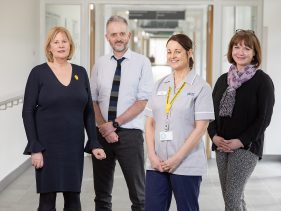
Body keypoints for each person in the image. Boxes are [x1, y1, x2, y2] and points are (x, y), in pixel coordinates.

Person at [22, 26, 106, 211]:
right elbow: (27, 111)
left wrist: (94, 142)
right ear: (49, 47)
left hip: (72, 147)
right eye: (56, 42)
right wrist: (34, 147)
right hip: (46, 147)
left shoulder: (81, 72)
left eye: (64, 41)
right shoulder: (38, 73)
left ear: (70, 45)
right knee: (47, 201)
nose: (61, 45)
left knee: (73, 199)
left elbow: (88, 112)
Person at [144, 34, 215, 211]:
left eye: (177, 51)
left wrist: (177, 158)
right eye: (169, 52)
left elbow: (201, 128)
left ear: (189, 53)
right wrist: (152, 155)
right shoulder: (160, 84)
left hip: (186, 163)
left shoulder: (201, 87)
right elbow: (150, 122)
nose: (172, 56)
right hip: (157, 163)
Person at [90, 15, 153, 211]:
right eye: (114, 34)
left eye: (122, 34)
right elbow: (93, 99)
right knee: (101, 195)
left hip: (130, 135)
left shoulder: (142, 63)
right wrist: (104, 127)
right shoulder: (99, 64)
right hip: (101, 135)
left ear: (129, 35)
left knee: (139, 196)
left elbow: (142, 101)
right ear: (107, 37)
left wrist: (114, 124)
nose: (118, 38)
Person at [207, 29, 275, 210]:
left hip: (246, 147)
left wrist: (240, 141)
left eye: (246, 48)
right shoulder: (223, 80)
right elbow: (210, 112)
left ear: (254, 53)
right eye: (236, 47)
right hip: (221, 146)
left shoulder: (262, 81)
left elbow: (264, 118)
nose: (240, 52)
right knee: (233, 198)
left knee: (232, 198)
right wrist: (213, 136)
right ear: (231, 51)